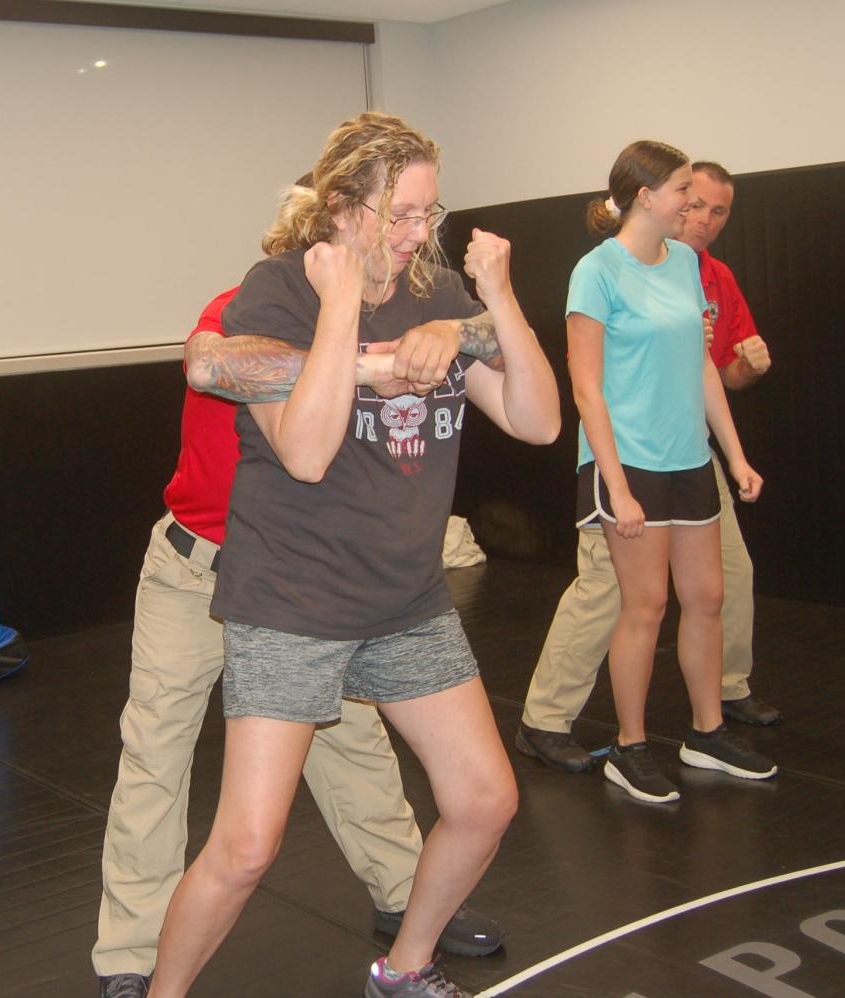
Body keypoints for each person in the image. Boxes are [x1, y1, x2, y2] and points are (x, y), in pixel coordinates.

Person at [149, 112, 559, 998]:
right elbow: (304, 451)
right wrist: (343, 310)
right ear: (343, 209)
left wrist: (489, 301)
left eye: (430, 215)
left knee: (485, 801)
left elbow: (537, 419)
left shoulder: (439, 288)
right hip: (291, 601)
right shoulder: (277, 292)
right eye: (401, 214)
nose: (418, 235)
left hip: (405, 598)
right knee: (248, 848)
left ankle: (404, 971)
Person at [93, 207, 509, 998]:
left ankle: (404, 898)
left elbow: (485, 342)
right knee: (157, 755)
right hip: (199, 571)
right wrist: (366, 361)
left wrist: (453, 332)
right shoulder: (245, 314)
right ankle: (133, 953)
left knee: (356, 751)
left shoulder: (381, 320)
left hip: (306, 583)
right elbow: (213, 365)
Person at [516, 160, 779, 777]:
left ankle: (708, 728)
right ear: (646, 196)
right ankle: (599, 737)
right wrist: (617, 484)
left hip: (687, 457)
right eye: (687, 193)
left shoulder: (687, 265)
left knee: (709, 594)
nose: (697, 209)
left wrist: (735, 456)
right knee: (630, 599)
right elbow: (586, 389)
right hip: (627, 461)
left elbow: (704, 366)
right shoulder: (597, 271)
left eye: (711, 204)